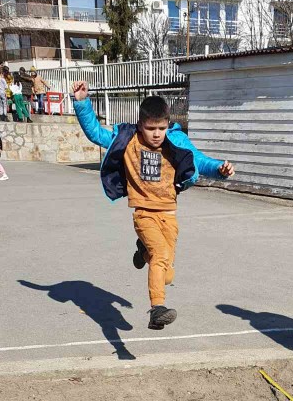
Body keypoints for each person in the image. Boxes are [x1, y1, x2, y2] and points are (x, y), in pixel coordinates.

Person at [72, 81, 235, 329]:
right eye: (151, 128)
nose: (157, 134)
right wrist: (83, 103)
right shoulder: (128, 140)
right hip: (144, 214)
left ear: (168, 124)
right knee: (160, 257)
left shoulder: (176, 141)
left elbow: (201, 162)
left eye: (161, 127)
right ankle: (156, 309)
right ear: (140, 125)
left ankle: (143, 252)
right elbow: (96, 133)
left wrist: (220, 171)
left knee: (167, 274)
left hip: (169, 215)